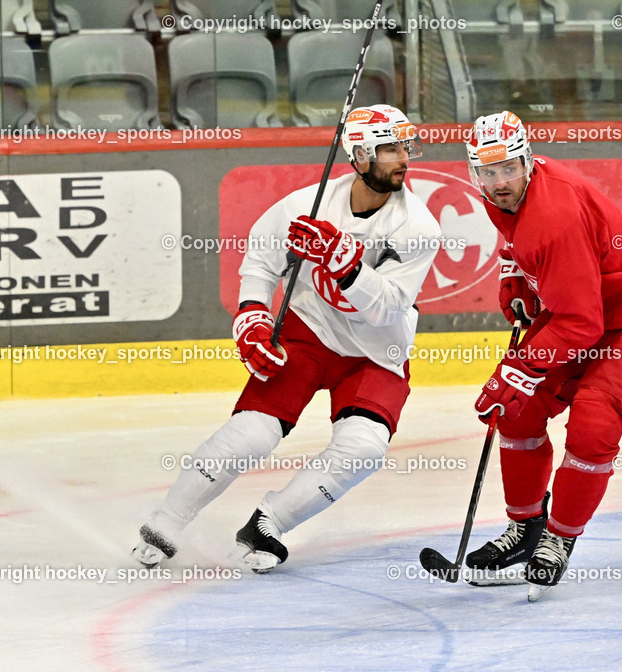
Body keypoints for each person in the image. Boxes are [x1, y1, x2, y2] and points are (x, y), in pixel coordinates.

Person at [133, 104, 441, 573]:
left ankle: (269, 523)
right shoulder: (306, 205)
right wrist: (252, 316)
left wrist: (345, 264)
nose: (404, 158)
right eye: (391, 149)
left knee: (363, 449)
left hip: (377, 352)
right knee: (249, 435)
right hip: (307, 333)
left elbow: (387, 308)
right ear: (360, 155)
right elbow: (261, 259)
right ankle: (167, 521)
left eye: (405, 147)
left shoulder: (418, 226)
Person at [463, 111, 622, 594]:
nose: (499, 181)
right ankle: (526, 529)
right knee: (518, 410)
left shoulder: (553, 216)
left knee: (593, 420)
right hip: (587, 304)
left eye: (508, 168)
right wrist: (516, 272)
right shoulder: (513, 191)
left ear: (527, 161)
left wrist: (518, 368)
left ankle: (558, 538)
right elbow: (526, 245)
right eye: (488, 171)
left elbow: (580, 324)